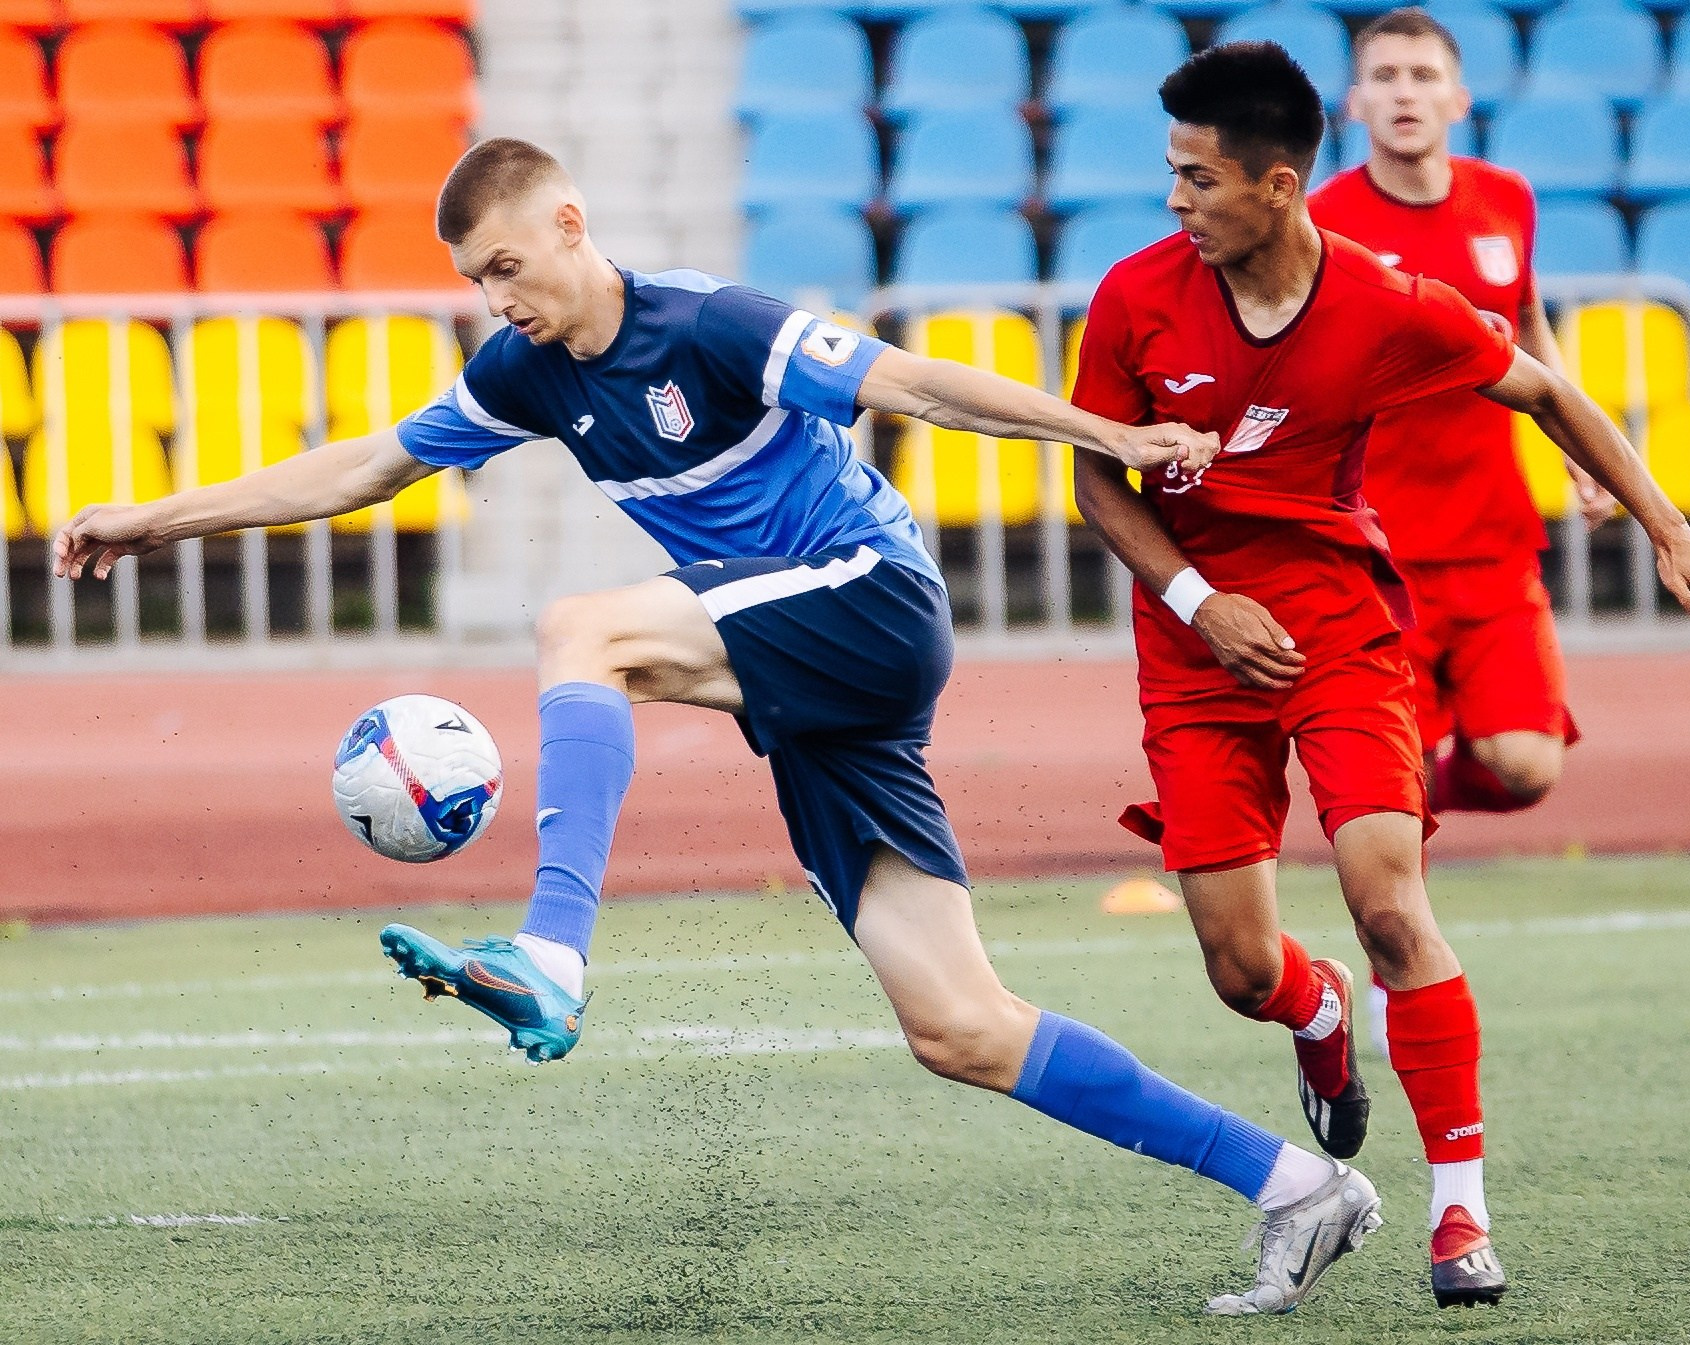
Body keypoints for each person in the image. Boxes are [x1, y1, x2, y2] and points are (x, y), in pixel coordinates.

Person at [54, 138, 1381, 1316]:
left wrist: (1116, 431)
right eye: (475, 279)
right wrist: (151, 517)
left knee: (585, 629)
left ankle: (554, 956)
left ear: (571, 224)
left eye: (507, 263)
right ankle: (1293, 1184)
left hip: (867, 601)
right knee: (960, 1028)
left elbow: (911, 385)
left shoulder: (712, 325)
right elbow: (360, 468)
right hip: (805, 676)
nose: (496, 296)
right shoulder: (523, 373)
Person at [1069, 43, 1690, 1308]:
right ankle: (1318, 1013)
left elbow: (1544, 390)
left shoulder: (1386, 302)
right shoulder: (1132, 297)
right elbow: (1094, 476)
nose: (1175, 201)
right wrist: (1197, 599)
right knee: (1237, 970)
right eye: (1171, 175)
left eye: (1196, 178)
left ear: (1276, 186)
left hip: (1337, 633)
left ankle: (1459, 1214)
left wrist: (1669, 525)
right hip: (1193, 648)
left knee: (1390, 901)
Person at [1307, 5, 1617, 1062]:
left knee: (1526, 767)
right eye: (1382, 74)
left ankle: (1359, 795)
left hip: (1491, 543)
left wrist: (1574, 441)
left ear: (1456, 95)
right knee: (1400, 853)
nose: (1401, 90)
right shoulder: (1323, 222)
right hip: (1377, 562)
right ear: (1354, 101)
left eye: (1420, 73)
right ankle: (1396, 953)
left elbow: (1525, 326)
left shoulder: (1506, 202)